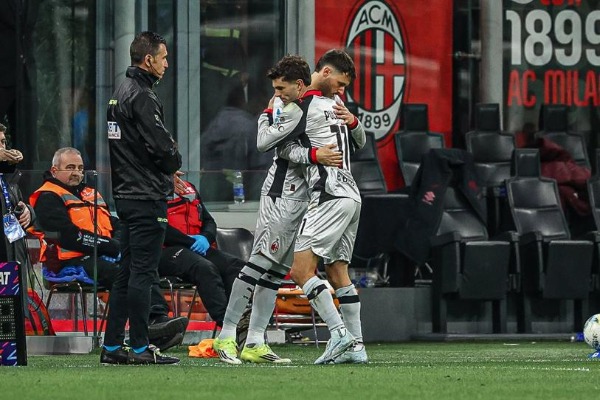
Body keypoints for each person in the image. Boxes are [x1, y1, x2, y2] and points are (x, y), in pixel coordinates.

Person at [213, 55, 344, 364]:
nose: (277, 94)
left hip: (302, 199)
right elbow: (264, 143)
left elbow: (288, 146)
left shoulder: (313, 107)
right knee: (258, 264)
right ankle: (226, 335)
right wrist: (268, 113)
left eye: (281, 88)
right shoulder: (292, 108)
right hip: (281, 196)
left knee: (274, 273)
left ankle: (255, 342)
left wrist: (348, 125)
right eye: (275, 88)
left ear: (299, 85)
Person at [255, 49, 367, 364]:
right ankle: (357, 347)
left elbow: (273, 146)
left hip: (329, 194)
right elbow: (359, 143)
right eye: (341, 84)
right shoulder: (334, 106)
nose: (342, 91)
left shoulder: (304, 106)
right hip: (352, 195)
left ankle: (339, 334)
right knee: (337, 270)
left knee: (301, 270)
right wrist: (353, 123)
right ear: (326, 72)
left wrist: (270, 114)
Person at [29, 147, 187, 351]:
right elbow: (67, 237)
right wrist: (110, 246)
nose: (76, 172)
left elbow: (115, 223)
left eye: (80, 168)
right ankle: (145, 327)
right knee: (121, 274)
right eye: (70, 167)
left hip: (100, 255)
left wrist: (120, 243)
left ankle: (157, 319)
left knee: (139, 265)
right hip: (66, 262)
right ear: (54, 170)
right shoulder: (47, 196)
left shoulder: (90, 193)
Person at [103, 31, 183, 365]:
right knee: (142, 273)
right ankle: (139, 347)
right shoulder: (143, 95)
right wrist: (173, 162)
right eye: (163, 57)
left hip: (125, 194)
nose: (167, 63)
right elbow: (162, 147)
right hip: (146, 195)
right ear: (148, 60)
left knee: (126, 273)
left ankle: (111, 347)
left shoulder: (120, 92)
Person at [159, 173, 246, 327]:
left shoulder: (189, 188)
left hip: (195, 247)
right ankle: (227, 324)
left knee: (236, 267)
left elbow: (208, 220)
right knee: (204, 268)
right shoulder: (152, 189)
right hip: (165, 251)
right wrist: (189, 241)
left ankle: (241, 318)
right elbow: (159, 226)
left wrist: (205, 238)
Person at [0, 123, 33, 268]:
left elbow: (19, 204)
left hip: (12, 257)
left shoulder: (8, 178)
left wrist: (28, 212)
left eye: (2, 142)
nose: (1, 147)